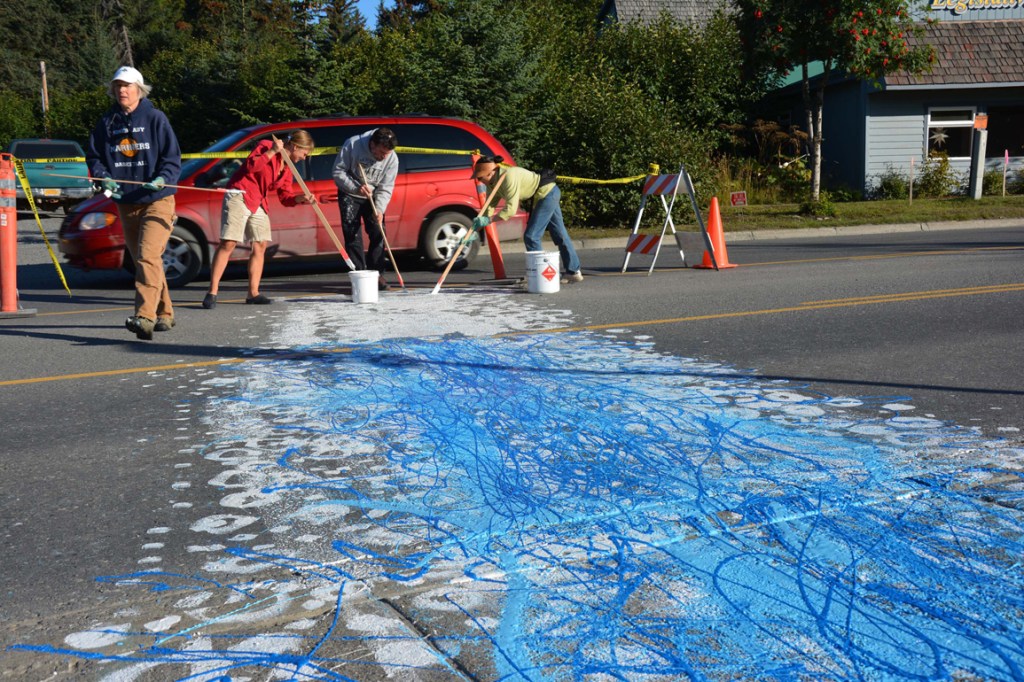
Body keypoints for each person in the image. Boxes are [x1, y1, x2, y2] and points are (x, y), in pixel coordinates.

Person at [87, 65, 182, 340]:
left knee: (147, 256)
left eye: (127, 85)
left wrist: (163, 179)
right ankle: (165, 313)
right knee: (146, 260)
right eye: (118, 85)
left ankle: (144, 317)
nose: (122, 90)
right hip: (126, 202)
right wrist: (104, 177)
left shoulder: (155, 118)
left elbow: (172, 158)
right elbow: (94, 157)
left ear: (139, 89)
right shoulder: (107, 122)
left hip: (157, 200)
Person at [202, 131, 317, 308]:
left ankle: (253, 293)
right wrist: (272, 151)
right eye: (304, 153)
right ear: (295, 147)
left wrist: (299, 199)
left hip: (259, 201)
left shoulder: (288, 169)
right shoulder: (266, 145)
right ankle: (212, 291)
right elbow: (251, 167)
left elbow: (285, 197)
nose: (304, 158)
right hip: (240, 194)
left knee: (260, 244)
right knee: (229, 242)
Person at [470, 156, 583, 283]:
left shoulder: (508, 176)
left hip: (547, 194)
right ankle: (573, 272)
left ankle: (540, 275)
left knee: (531, 236)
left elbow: (510, 210)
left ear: (490, 173)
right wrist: (475, 229)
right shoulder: (492, 184)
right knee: (560, 233)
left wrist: (489, 220)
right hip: (546, 195)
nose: (479, 181)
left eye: (480, 178)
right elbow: (488, 207)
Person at [331, 127, 398, 291]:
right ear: (372, 144)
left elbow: (386, 187)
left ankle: (377, 274)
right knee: (352, 235)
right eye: (381, 152)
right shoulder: (353, 144)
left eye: (387, 154)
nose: (383, 157)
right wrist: (356, 188)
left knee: (378, 232)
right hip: (350, 193)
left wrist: (379, 209)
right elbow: (338, 171)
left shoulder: (392, 159)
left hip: (374, 195)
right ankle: (360, 275)